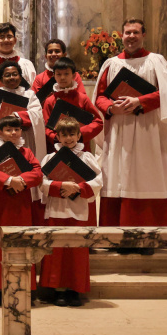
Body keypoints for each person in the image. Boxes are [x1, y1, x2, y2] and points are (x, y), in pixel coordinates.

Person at [93, 18, 167, 243]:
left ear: (143, 34)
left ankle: (153, 238)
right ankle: (114, 237)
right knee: (118, 174)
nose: (131, 36)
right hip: (118, 130)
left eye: (135, 32)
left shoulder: (157, 61)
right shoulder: (111, 64)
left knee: (148, 176)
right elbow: (99, 96)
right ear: (122, 35)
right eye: (127, 33)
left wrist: (139, 101)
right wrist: (110, 107)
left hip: (149, 131)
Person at [38, 117, 102, 307]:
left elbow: (98, 180)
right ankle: (57, 290)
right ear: (57, 136)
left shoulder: (87, 157)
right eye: (63, 135)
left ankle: (75, 290)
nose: (68, 139)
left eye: (72, 134)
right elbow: (41, 181)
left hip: (78, 209)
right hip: (57, 208)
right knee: (56, 252)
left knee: (77, 251)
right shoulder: (50, 158)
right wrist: (60, 185)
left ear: (79, 135)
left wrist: (79, 188)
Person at [0, 116, 43, 304]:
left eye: (16, 129)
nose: (13, 133)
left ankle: (23, 288)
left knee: (21, 245)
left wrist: (21, 181)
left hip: (20, 203)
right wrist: (8, 181)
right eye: (8, 130)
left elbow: (37, 173)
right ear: (0, 132)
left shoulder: (27, 152)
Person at [0, 61, 46, 161]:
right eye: (7, 75)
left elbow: (37, 115)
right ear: (1, 79)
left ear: (20, 77)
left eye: (15, 74)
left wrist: (17, 117)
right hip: (1, 142)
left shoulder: (29, 95)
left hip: (25, 141)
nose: (12, 77)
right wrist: (6, 129)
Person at [42, 57, 103, 151]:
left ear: (74, 75)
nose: (62, 77)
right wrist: (56, 138)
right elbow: (45, 127)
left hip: (81, 147)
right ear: (54, 76)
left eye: (66, 74)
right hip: (57, 147)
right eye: (59, 74)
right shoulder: (49, 101)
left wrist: (79, 134)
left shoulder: (82, 99)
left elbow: (98, 122)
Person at [0, 23, 37, 104]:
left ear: (15, 40)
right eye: (1, 37)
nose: (6, 40)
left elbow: (31, 90)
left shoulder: (26, 64)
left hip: (21, 107)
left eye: (9, 36)